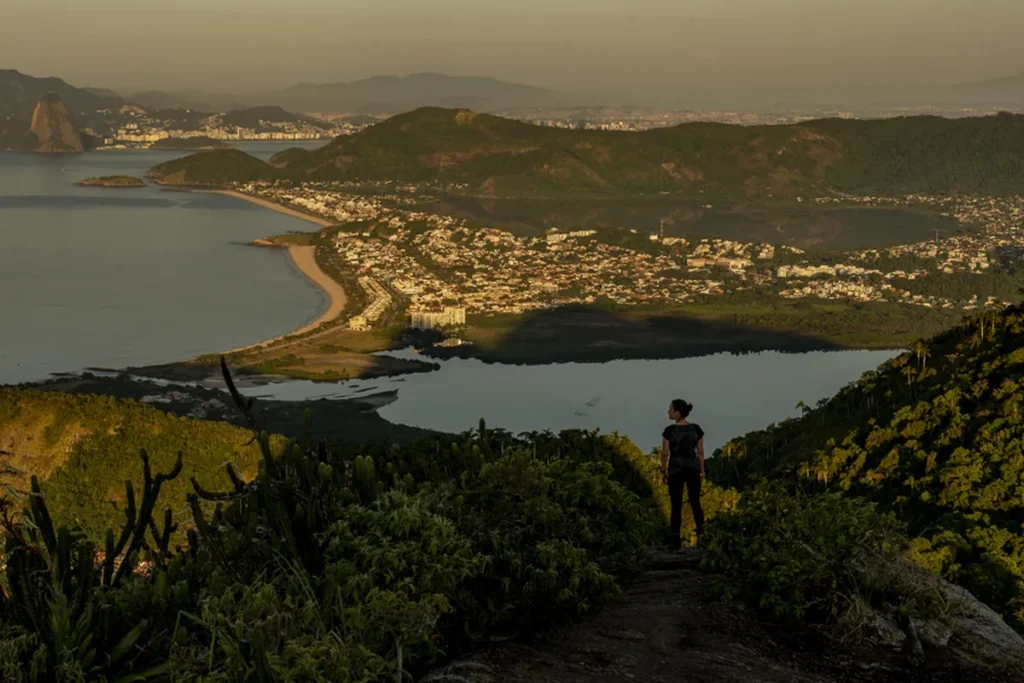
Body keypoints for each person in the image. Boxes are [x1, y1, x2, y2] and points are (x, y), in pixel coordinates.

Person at [660, 399, 705, 549]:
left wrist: (663, 469)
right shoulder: (696, 429)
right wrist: (702, 470)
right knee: (695, 501)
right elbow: (700, 452)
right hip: (693, 468)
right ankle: (702, 535)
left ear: (678, 412)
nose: (668, 411)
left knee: (676, 504)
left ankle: (675, 539)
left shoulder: (669, 431)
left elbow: (665, 453)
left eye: (671, 409)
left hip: (675, 469)